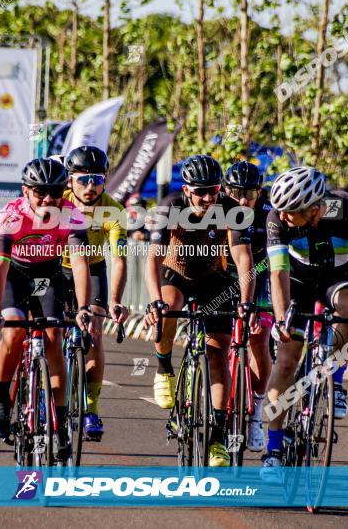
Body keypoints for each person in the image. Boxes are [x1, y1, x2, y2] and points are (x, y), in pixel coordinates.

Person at [261, 166, 348, 480]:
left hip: (335, 277)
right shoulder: (277, 218)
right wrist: (282, 318)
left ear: (314, 210)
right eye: (281, 211)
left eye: (291, 213)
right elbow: (278, 273)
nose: (284, 218)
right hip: (297, 280)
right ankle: (273, 449)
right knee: (286, 361)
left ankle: (335, 380)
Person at [142, 154, 257, 467]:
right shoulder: (169, 207)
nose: (208, 198)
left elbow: (244, 259)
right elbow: (152, 259)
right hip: (175, 276)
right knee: (168, 308)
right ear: (186, 189)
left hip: (213, 282)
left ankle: (218, 438)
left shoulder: (230, 209)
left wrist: (246, 303)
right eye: (201, 191)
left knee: (218, 354)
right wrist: (154, 301)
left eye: (214, 190)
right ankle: (164, 367)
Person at [0, 157, 93, 463]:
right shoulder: (11, 216)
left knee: (54, 335)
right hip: (15, 277)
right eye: (40, 191)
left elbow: (81, 265)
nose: (48, 198)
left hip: (48, 277)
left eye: (55, 191)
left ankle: (58, 426)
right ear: (25, 191)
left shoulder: (71, 215)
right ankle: (2, 395)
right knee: (14, 326)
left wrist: (83, 308)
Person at [61, 146, 130, 441]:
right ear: (69, 180)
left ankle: (91, 407)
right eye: (84, 179)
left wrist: (115, 300)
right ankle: (43, 396)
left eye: (98, 179)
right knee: (49, 332)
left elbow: (119, 259)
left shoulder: (114, 210)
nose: (91, 186)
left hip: (93, 270)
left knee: (95, 334)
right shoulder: (57, 203)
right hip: (58, 268)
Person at [222, 160, 273, 452]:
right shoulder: (217, 209)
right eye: (237, 193)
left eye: (250, 194)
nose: (243, 200)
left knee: (259, 340)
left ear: (260, 192)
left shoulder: (268, 213)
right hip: (223, 274)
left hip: (260, 274)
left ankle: (255, 413)